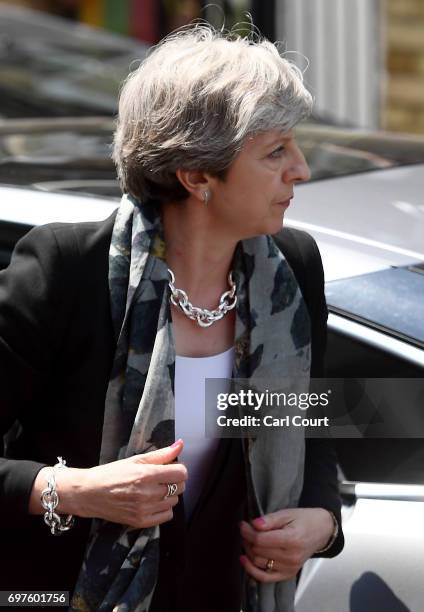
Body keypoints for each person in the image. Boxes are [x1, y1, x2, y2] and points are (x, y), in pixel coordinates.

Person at [0, 23, 343, 612]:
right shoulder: (65, 271)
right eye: (275, 152)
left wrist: (322, 522)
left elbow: (308, 426)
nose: (302, 170)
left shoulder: (290, 270)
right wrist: (75, 490)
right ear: (197, 176)